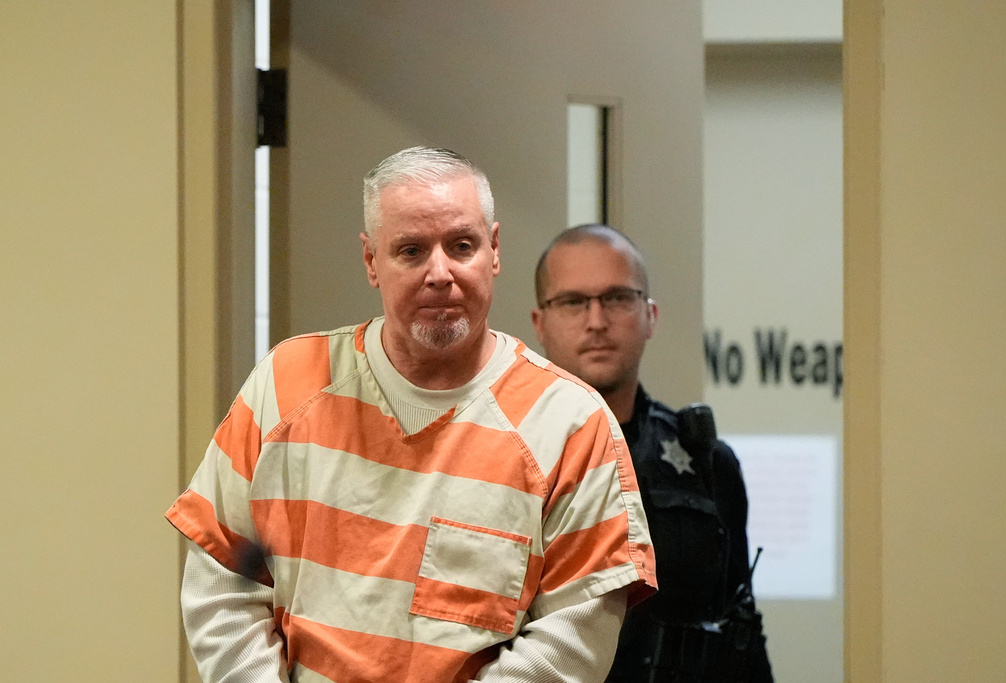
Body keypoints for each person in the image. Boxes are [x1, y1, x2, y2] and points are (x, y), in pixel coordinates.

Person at [166, 148, 656, 683]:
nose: (439, 273)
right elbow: (223, 584)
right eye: (411, 250)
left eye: (461, 246)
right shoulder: (287, 385)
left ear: (494, 250)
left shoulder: (570, 425)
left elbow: (574, 642)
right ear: (371, 261)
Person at [531, 224, 773, 683]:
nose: (597, 320)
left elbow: (741, 635)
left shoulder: (704, 461)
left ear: (650, 315)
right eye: (573, 302)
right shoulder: (503, 453)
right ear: (540, 322)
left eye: (618, 298)